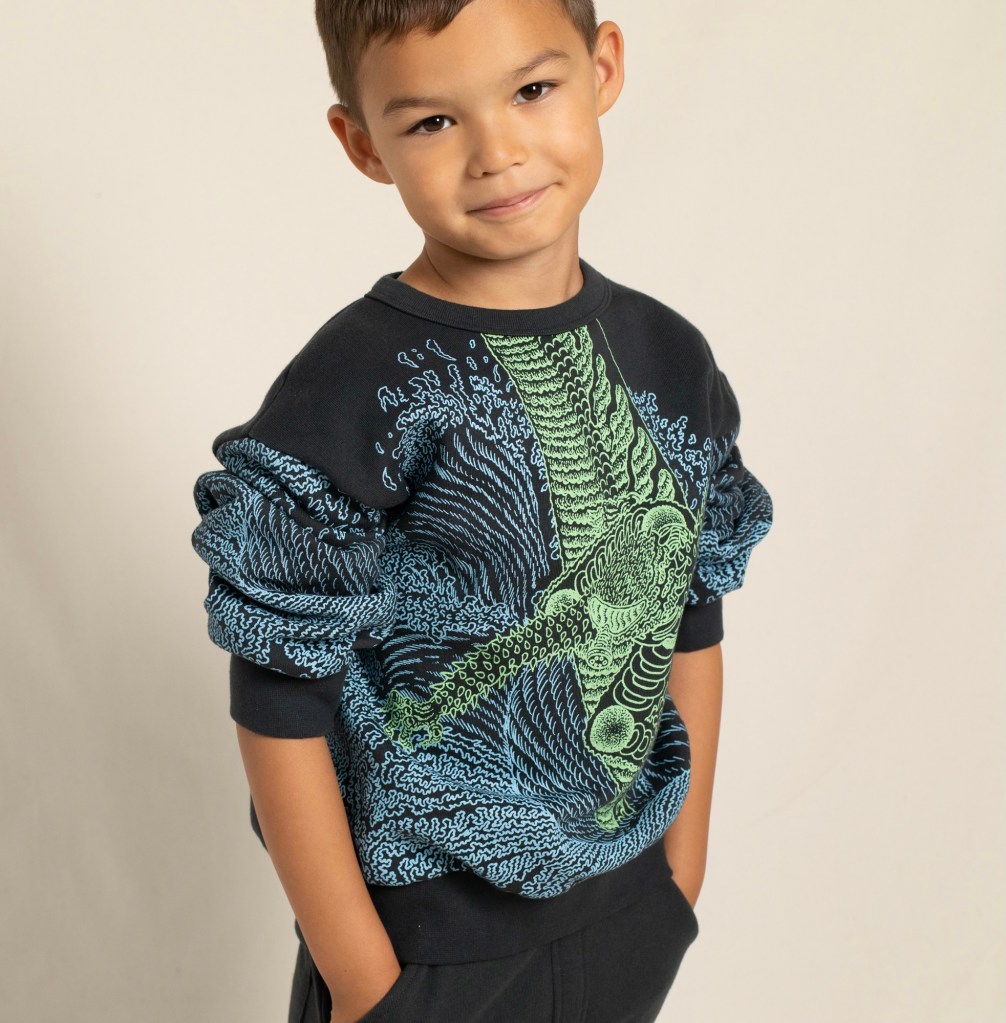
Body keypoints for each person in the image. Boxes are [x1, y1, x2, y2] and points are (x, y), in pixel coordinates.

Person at [190, 1, 773, 1020]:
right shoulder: (357, 381)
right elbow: (279, 698)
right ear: (362, 144)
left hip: (626, 915)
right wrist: (366, 981)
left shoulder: (671, 356)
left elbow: (693, 622)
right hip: (427, 955)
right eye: (432, 121)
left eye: (532, 90)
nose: (497, 153)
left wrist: (678, 881)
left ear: (603, 68)